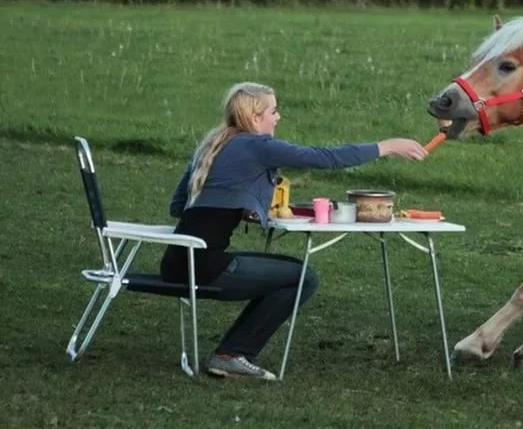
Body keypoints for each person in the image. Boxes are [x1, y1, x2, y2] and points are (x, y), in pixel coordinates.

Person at [160, 81, 427, 380]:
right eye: (273, 111)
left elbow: (178, 206)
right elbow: (324, 158)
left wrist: (239, 204)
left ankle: (231, 352)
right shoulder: (257, 146)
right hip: (204, 268)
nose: (278, 117)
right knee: (303, 279)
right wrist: (387, 146)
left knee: (293, 270)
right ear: (255, 117)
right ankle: (231, 354)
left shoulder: (214, 143)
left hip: (176, 262)